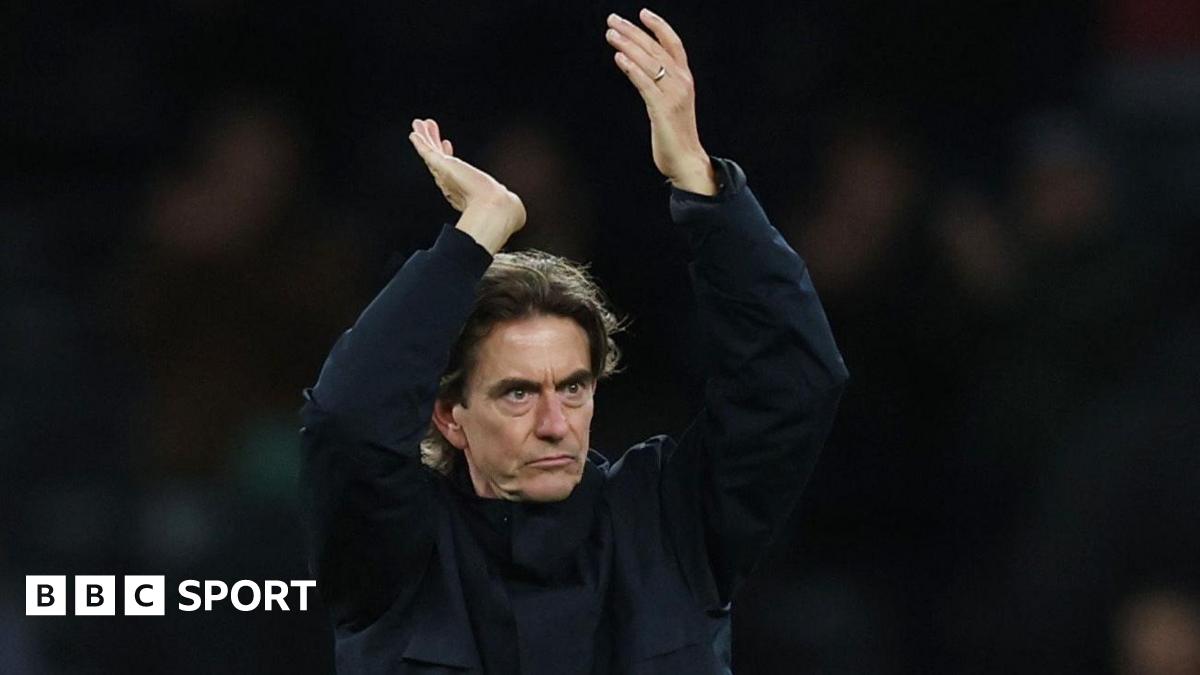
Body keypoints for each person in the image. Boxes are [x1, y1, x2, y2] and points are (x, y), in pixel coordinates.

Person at [299, 9, 848, 674]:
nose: (556, 424)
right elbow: (348, 419)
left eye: (575, 386)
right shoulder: (395, 550)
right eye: (518, 393)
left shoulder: (668, 519)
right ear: (450, 415)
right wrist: (474, 236)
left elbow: (793, 383)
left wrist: (704, 187)